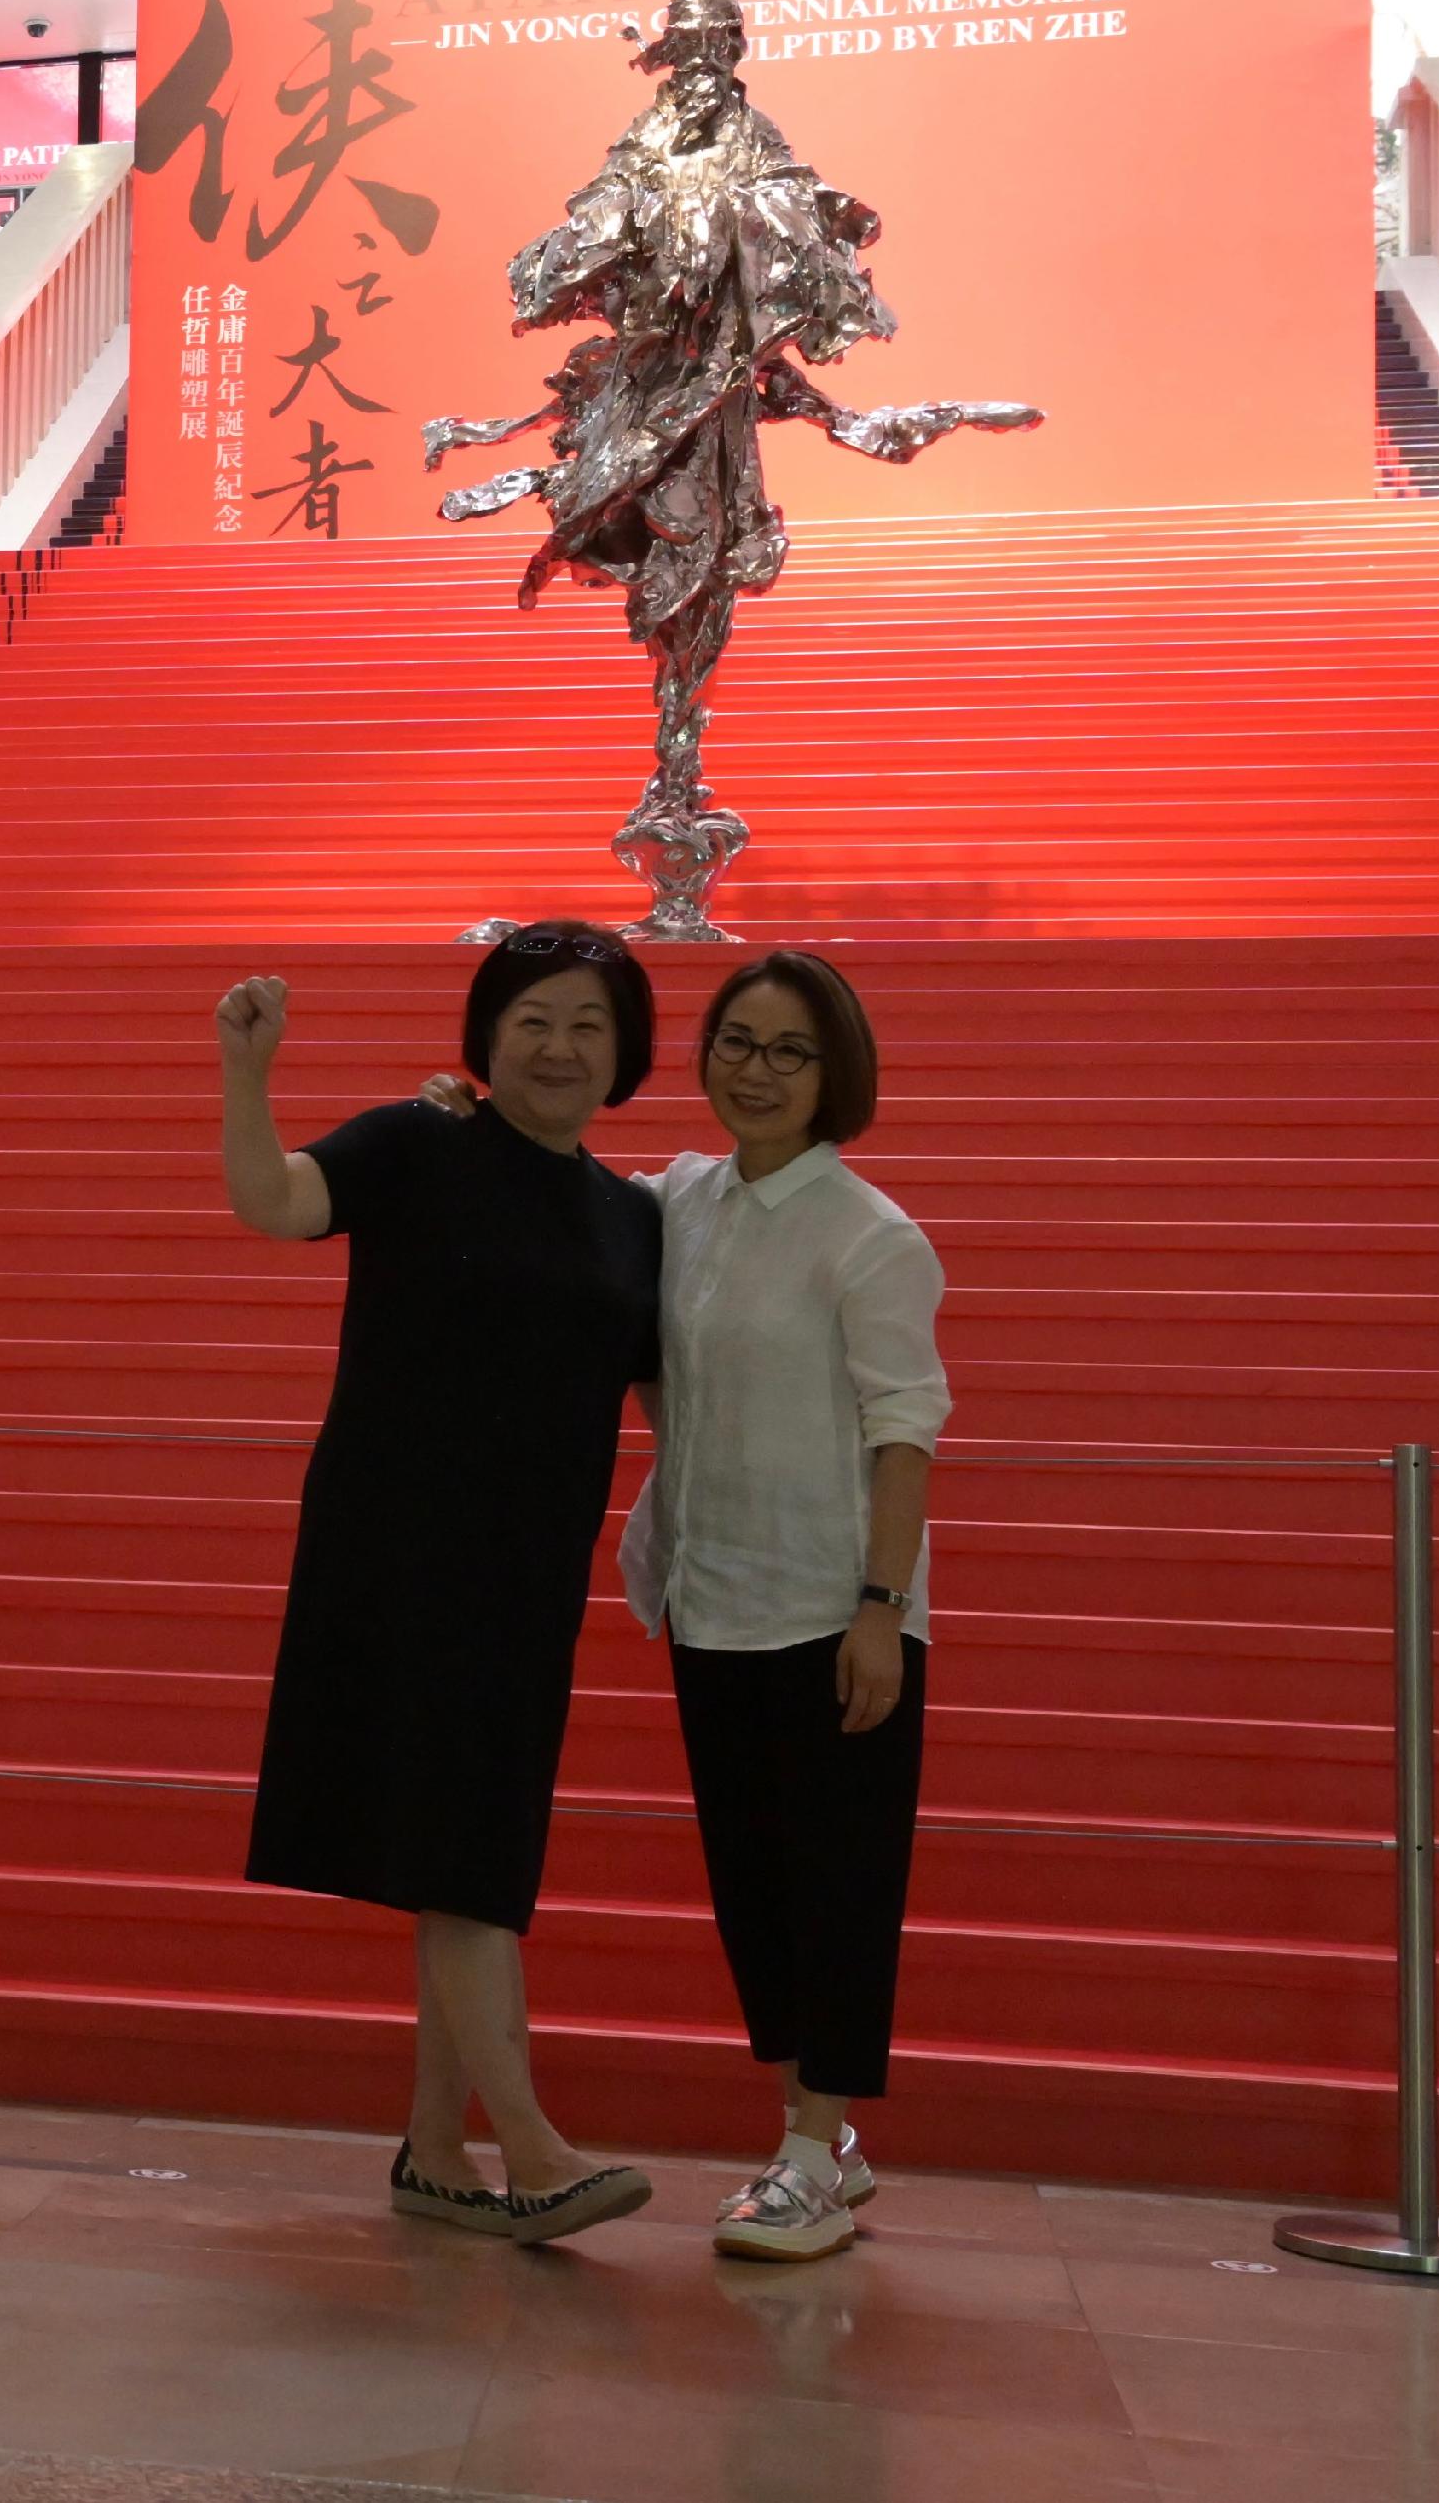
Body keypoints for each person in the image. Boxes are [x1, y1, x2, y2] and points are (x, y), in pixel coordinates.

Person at [427, 950, 947, 2260]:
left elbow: (906, 1431)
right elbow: (569, 1207)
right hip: (714, 1594)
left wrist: (884, 1604)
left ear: (836, 1076)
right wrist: (467, 1122)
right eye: (736, 1041)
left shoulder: (872, 1236)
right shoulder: (681, 1202)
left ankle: (810, 2151)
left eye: (789, 1051)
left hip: (837, 1610)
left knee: (836, 1887)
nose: (756, 1071)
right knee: (755, 1893)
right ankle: (819, 2135)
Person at [214, 922, 666, 2246]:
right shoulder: (419, 1145)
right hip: (397, 1551)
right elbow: (276, 1202)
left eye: (588, 1023)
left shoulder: (632, 1217)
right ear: (487, 1033)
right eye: (533, 1018)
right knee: (467, 1852)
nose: (560, 1046)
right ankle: (527, 2140)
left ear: (623, 1052)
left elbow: (660, 1390)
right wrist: (248, 1072)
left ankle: (431, 2145)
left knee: (466, 1846)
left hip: (531, 1571)